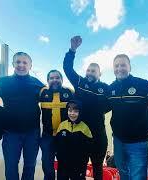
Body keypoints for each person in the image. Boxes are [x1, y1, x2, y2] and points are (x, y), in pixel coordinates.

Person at [63, 36, 109, 180]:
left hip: (98, 134)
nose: (90, 73)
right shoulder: (79, 82)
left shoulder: (105, 88)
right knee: (80, 166)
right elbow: (68, 68)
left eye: (93, 71)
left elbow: (110, 104)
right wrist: (72, 50)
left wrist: (99, 110)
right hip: (79, 132)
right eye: (88, 70)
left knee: (97, 168)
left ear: (99, 74)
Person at [0, 52, 44, 180]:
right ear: (13, 64)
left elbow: (53, 97)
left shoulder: (37, 83)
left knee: (30, 165)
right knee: (11, 166)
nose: (21, 65)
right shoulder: (2, 82)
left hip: (32, 133)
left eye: (25, 62)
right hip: (10, 132)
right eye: (18, 62)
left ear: (30, 65)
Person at [108, 54, 148, 180]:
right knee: (123, 173)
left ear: (130, 67)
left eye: (123, 65)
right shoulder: (111, 88)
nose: (119, 68)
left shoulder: (142, 84)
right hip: (118, 140)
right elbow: (101, 107)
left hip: (138, 142)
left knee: (138, 176)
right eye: (116, 66)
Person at [39, 70, 74, 180]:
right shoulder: (42, 92)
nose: (54, 80)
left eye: (57, 78)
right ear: (48, 80)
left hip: (64, 135)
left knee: (64, 164)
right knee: (46, 164)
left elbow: (77, 109)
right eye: (52, 78)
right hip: (47, 135)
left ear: (62, 80)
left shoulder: (69, 92)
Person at [55, 100, 93, 180]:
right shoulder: (62, 125)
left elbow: (88, 148)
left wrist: (83, 162)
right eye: (70, 110)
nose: (72, 113)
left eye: (75, 111)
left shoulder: (85, 128)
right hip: (63, 164)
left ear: (80, 112)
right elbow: (57, 144)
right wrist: (58, 156)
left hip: (78, 166)